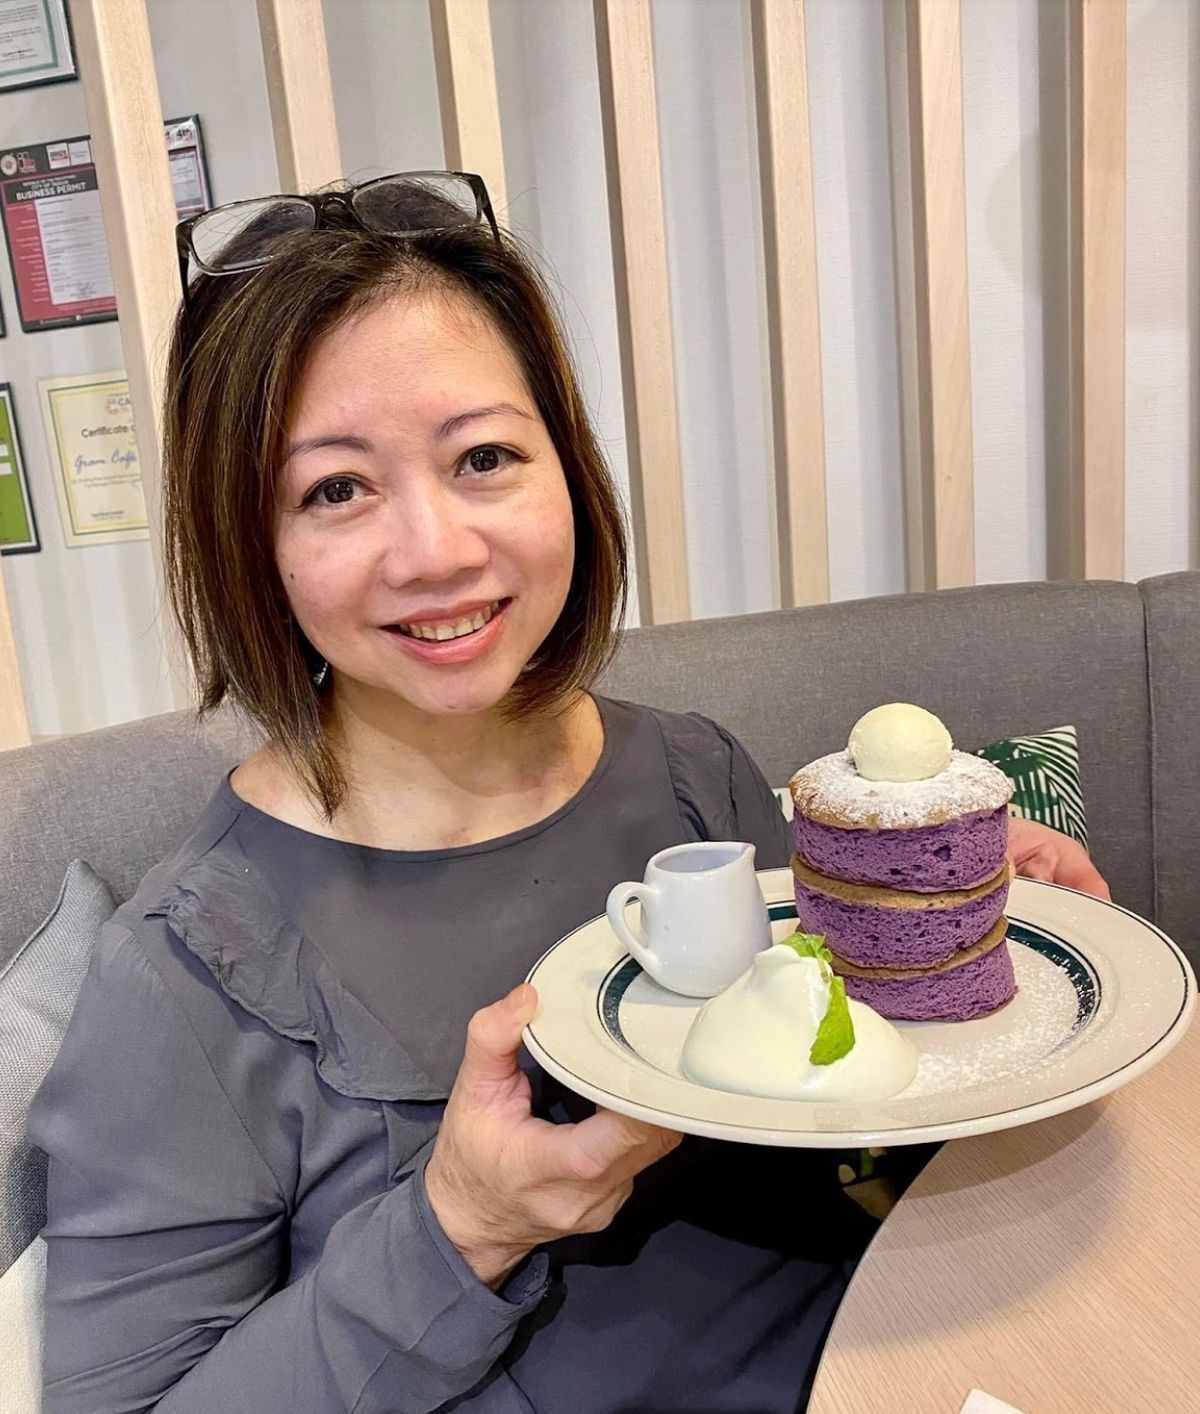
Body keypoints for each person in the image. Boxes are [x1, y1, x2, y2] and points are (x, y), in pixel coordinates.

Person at [29, 172, 1108, 1414]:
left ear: (567, 470)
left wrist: (944, 960)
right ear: (247, 544)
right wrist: (459, 1224)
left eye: (484, 455)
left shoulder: (693, 774)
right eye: (335, 487)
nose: (435, 549)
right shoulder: (186, 971)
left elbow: (847, 1131)